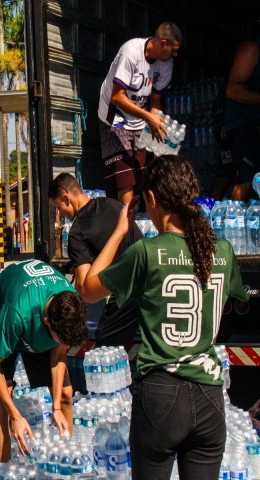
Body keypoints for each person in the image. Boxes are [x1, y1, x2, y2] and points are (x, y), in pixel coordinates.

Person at [82, 156, 249, 479]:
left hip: (161, 395)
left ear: (153, 199)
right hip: (210, 396)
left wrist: (119, 232)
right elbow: (233, 299)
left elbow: (89, 290)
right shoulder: (223, 250)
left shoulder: (147, 251)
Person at [0, 259, 88, 462]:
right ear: (47, 323)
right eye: (61, 341)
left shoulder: (69, 304)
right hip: (0, 313)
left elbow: (58, 354)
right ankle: (5, 471)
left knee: (65, 394)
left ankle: (67, 465)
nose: (66, 347)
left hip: (35, 317)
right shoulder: (17, 314)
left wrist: (55, 408)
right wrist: (16, 415)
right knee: (3, 402)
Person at [48, 173, 142, 347]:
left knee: (105, 350)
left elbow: (85, 290)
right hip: (150, 290)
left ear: (66, 198)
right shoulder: (113, 205)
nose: (62, 215)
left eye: (59, 209)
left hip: (124, 299)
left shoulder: (77, 232)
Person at [98, 22, 182, 204]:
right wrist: (148, 117)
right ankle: (127, 227)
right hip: (115, 118)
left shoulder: (166, 64)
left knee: (147, 175)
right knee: (125, 179)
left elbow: (156, 101)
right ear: (163, 43)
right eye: (173, 50)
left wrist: (155, 122)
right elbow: (117, 97)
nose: (175, 54)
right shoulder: (131, 53)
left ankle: (146, 223)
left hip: (139, 119)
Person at [224, 37, 260, 201]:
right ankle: (233, 224)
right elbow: (231, 90)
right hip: (243, 124)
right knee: (245, 177)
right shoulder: (252, 49)